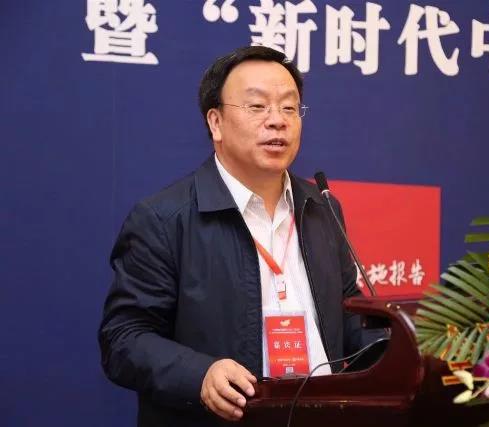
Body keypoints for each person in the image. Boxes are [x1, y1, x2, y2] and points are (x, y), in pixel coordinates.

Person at [99, 46, 375, 427]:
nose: (277, 121)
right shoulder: (164, 219)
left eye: (289, 108)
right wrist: (200, 375)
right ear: (215, 123)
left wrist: (406, 350)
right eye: (257, 106)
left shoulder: (321, 208)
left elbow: (349, 316)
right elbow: (123, 338)